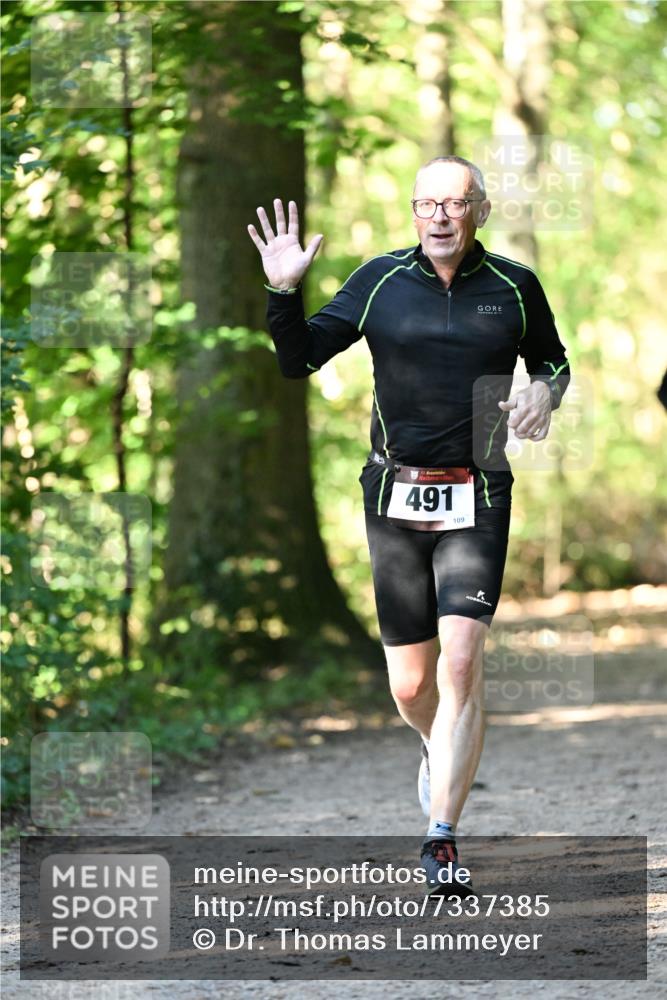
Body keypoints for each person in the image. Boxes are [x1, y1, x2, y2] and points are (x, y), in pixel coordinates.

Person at [248, 155, 570, 896]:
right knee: (410, 684)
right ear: (413, 211)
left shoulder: (514, 287)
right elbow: (298, 361)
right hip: (394, 492)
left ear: (478, 211)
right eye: (426, 203)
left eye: (453, 203)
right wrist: (281, 291)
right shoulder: (379, 282)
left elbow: (552, 362)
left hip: (479, 491)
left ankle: (441, 837)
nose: (438, 216)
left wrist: (544, 396)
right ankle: (438, 744)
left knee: (461, 664)